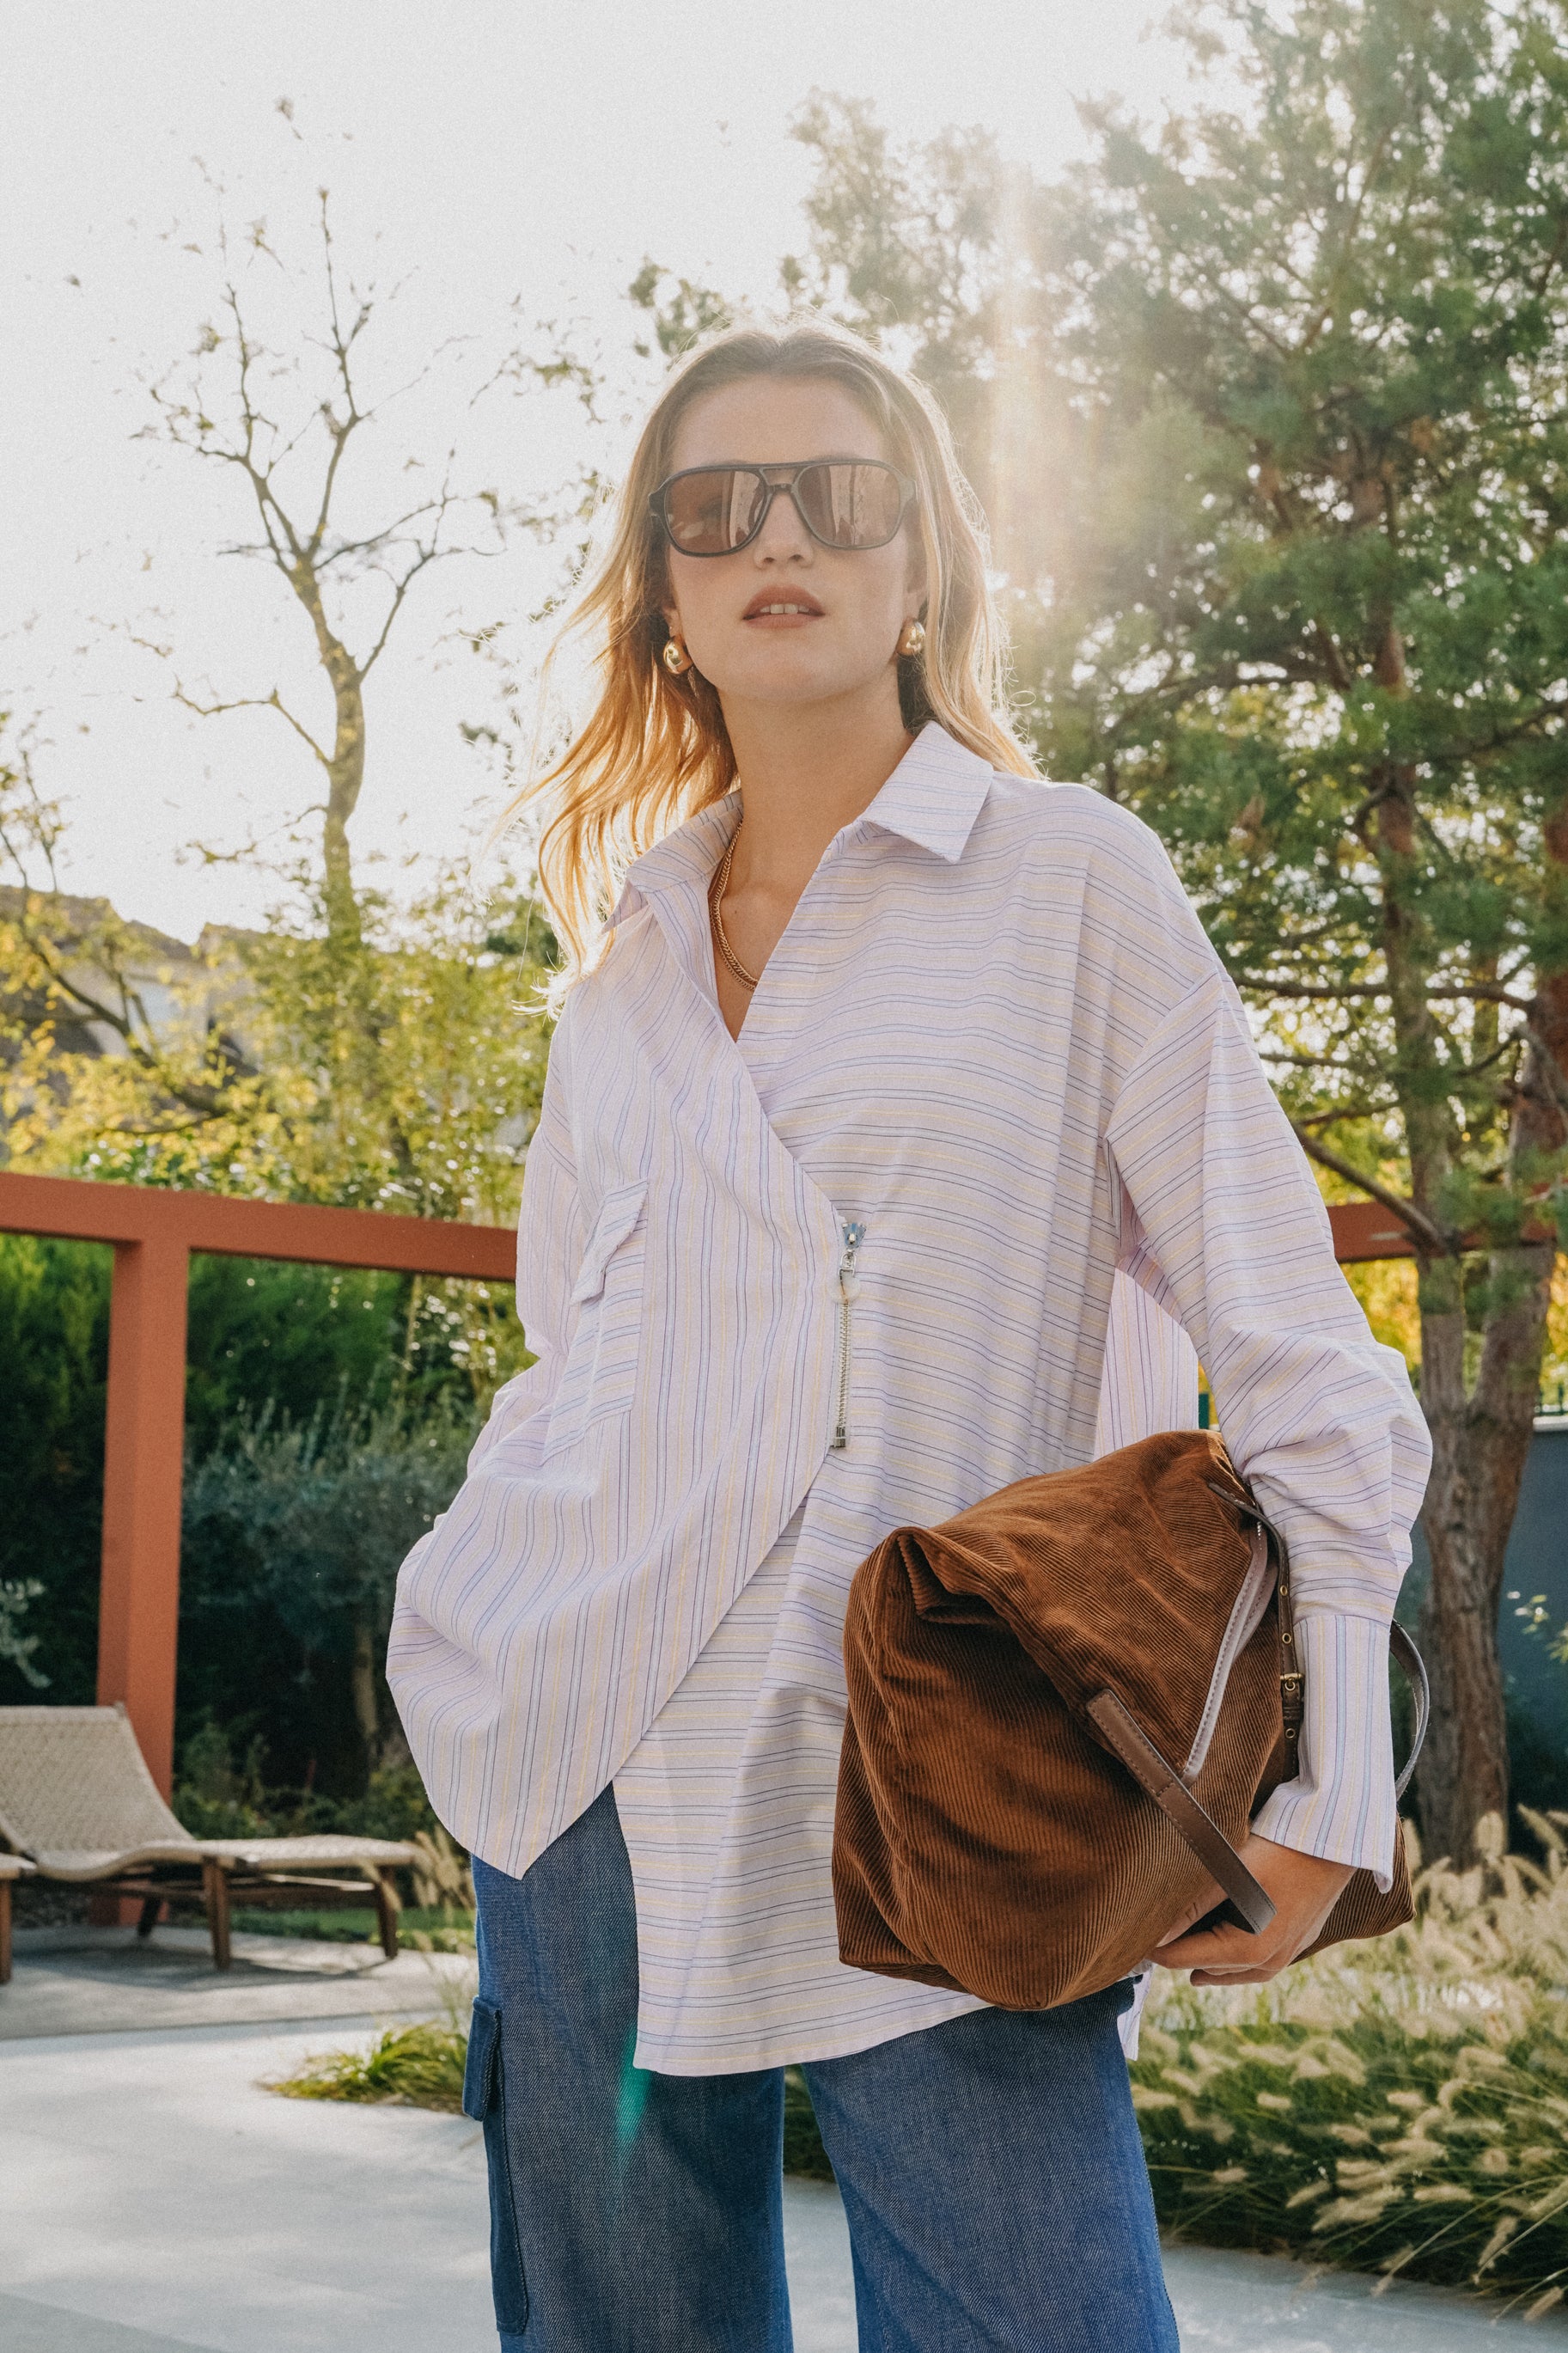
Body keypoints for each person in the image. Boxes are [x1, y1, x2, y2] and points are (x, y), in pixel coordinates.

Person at [387, 323, 1430, 2353]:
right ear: (662, 590)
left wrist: (1335, 1790)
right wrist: (474, 1604)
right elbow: (569, 1361)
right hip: (583, 1771)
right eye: (717, 508)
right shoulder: (618, 980)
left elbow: (1296, 1339)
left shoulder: (1072, 881)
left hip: (956, 1773)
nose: (778, 538)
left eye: (838, 497)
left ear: (926, 563)